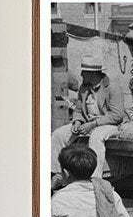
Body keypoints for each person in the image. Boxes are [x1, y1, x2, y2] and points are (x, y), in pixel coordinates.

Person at [50, 54, 128, 184]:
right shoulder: (84, 87)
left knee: (96, 137)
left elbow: (117, 115)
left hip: (110, 125)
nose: (81, 74)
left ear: (93, 73)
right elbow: (79, 110)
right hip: (88, 123)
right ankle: (58, 174)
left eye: (84, 72)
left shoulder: (112, 87)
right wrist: (77, 122)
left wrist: (93, 124)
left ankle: (95, 179)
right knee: (59, 134)